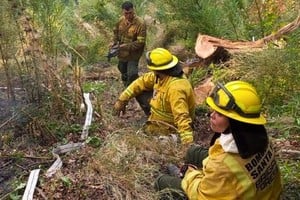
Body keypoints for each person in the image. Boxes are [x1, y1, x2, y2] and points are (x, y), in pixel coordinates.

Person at [154, 81, 282, 200]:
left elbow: (201, 195)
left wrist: (190, 174)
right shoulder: (258, 137)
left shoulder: (221, 166)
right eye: (214, 110)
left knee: (161, 181)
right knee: (192, 153)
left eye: (219, 114)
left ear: (235, 122)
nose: (212, 115)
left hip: (225, 184)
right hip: (262, 192)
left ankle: (175, 178)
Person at [113, 48, 196, 145]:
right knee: (140, 90)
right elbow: (141, 82)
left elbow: (182, 117)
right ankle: (152, 118)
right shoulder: (162, 76)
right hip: (160, 115)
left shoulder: (176, 88)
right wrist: (122, 100)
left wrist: (187, 143)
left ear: (158, 70)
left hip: (169, 127)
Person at [110, 1, 151, 115]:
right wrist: (113, 43)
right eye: (126, 13)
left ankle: (132, 93)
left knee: (132, 73)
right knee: (122, 69)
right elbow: (115, 34)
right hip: (122, 54)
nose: (128, 15)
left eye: (130, 13)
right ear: (123, 12)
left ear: (134, 10)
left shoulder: (140, 24)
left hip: (134, 54)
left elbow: (140, 43)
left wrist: (124, 46)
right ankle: (128, 87)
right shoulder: (120, 21)